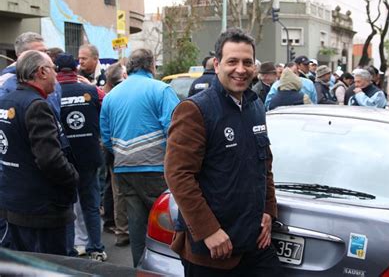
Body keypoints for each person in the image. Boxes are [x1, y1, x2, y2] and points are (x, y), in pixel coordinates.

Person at [165, 27, 281, 276]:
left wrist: (268, 211)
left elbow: (264, 165)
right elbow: (179, 176)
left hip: (254, 243)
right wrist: (208, 231)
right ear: (217, 64)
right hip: (213, 251)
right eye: (232, 61)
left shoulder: (256, 106)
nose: (241, 69)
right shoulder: (195, 110)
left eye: (247, 62)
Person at [100, 48, 179, 267]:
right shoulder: (161, 90)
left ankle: (139, 269)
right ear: (152, 65)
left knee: (136, 226)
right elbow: (175, 131)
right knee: (168, 225)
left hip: (124, 168)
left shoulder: (111, 95)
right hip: (156, 169)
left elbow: (105, 137)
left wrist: (124, 153)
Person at [0, 50, 78, 255]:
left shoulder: (7, 101)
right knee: (50, 266)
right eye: (54, 69)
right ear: (42, 72)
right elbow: (50, 159)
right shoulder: (36, 106)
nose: (57, 75)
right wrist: (72, 178)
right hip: (41, 209)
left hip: (15, 203)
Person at [55, 53, 107, 261]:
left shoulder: (51, 93)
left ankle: (69, 252)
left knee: (67, 206)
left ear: (56, 70)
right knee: (91, 205)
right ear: (75, 69)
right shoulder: (91, 90)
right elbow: (107, 105)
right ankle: (96, 248)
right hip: (89, 157)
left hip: (63, 159)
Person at [0, 32, 62, 117]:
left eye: (46, 52)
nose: (45, 56)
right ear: (21, 56)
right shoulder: (5, 82)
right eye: (38, 53)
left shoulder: (51, 77)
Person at [102, 62, 130, 247]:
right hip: (133, 153)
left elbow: (104, 131)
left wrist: (113, 150)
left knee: (118, 193)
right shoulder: (125, 95)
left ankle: (122, 232)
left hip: (115, 153)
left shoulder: (108, 97)